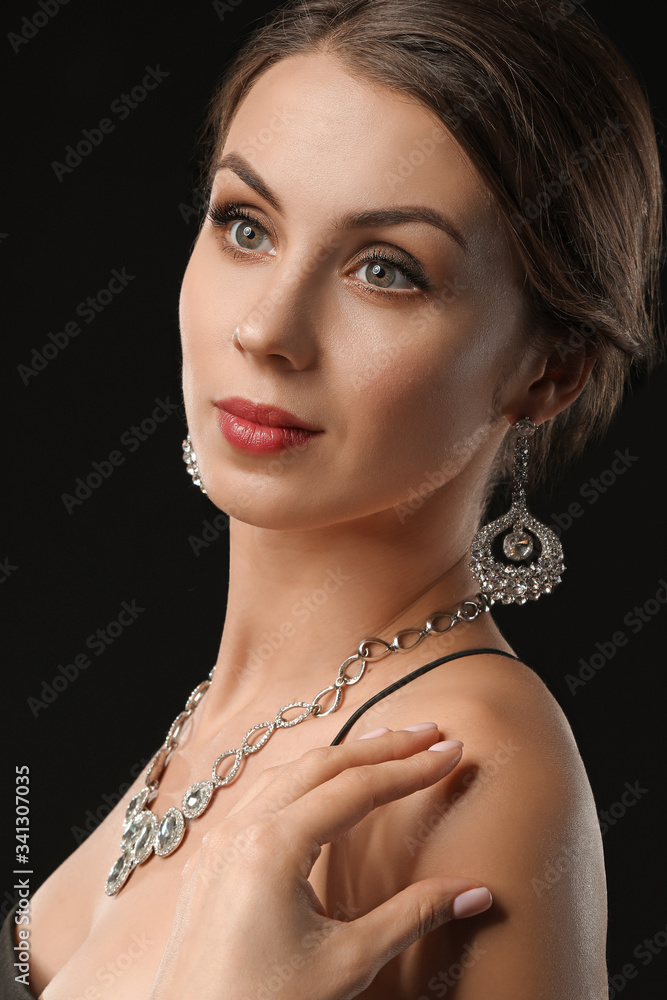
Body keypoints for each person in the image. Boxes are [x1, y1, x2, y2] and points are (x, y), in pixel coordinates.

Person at [3, 0, 662, 997]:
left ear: (546, 371)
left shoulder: (461, 762)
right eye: (245, 225)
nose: (268, 326)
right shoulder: (230, 715)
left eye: (385, 270)